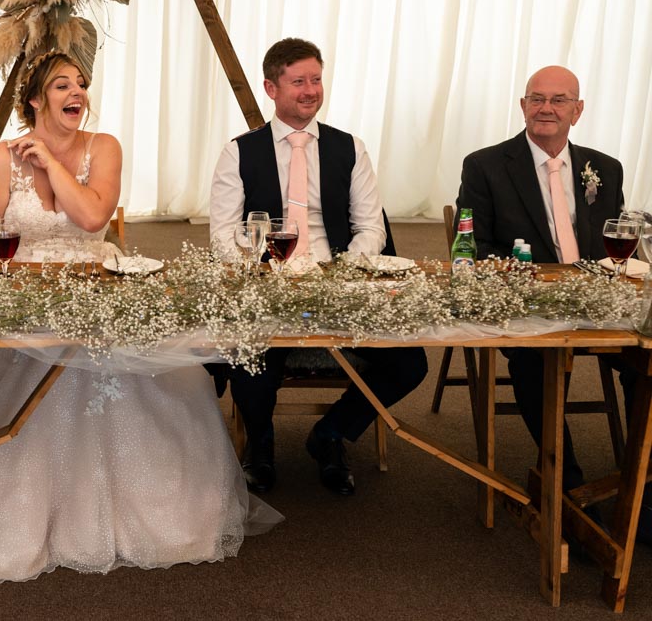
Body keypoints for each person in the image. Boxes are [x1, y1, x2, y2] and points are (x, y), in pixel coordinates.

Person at [0, 52, 280, 584]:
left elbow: (94, 216)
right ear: (34, 99)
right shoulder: (1, 159)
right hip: (21, 301)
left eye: (81, 84)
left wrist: (49, 161)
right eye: (61, 85)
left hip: (96, 297)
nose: (77, 93)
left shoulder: (105, 147)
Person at [208, 37, 428, 496]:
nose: (310, 90)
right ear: (271, 88)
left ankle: (331, 433)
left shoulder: (351, 149)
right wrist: (262, 275)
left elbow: (371, 229)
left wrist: (339, 275)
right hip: (268, 283)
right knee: (250, 360)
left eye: (316, 79)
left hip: (340, 283)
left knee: (409, 364)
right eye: (298, 82)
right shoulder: (238, 153)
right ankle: (260, 446)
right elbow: (223, 236)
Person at [457, 65, 650, 543]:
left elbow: (617, 245)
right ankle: (568, 482)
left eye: (559, 100)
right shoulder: (484, 165)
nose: (547, 108)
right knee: (532, 363)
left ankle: (641, 483)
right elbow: (473, 247)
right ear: (522, 107)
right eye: (537, 99)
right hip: (530, 305)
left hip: (600, 302)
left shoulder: (604, 168)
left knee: (647, 359)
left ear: (577, 111)